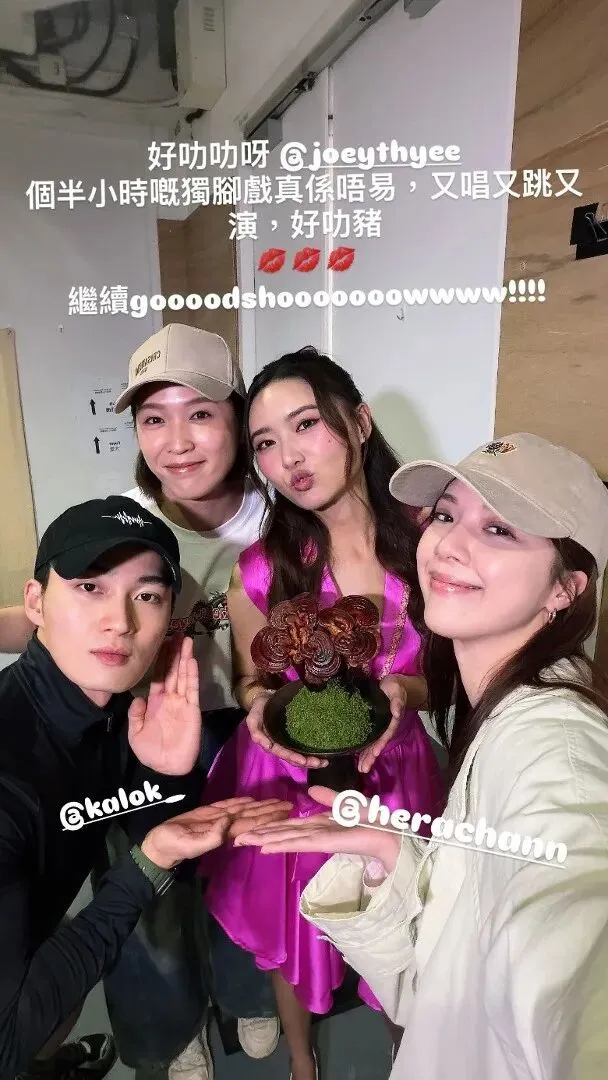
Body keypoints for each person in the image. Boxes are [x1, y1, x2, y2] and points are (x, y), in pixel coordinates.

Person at [235, 432, 608, 1080]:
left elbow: (570, 918)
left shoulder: (557, 750)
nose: (449, 544)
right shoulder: (492, 709)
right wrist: (392, 852)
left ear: (565, 589)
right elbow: (450, 964)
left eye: (499, 529)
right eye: (444, 514)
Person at [0, 325, 280, 1079]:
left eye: (201, 414)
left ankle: (250, 991)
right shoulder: (123, 525)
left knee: (245, 862)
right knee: (142, 882)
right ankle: (166, 1026)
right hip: (130, 729)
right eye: (154, 418)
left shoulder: (279, 521)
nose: (177, 442)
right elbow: (61, 619)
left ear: (237, 418)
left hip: (244, 728)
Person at [199, 347, 446, 1080]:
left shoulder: (433, 544)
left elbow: (445, 677)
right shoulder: (261, 569)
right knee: (293, 928)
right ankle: (302, 1065)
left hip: (395, 772)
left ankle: (410, 1054)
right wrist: (256, 708)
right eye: (265, 443)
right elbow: (253, 677)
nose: (288, 458)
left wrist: (406, 694)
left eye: (306, 424)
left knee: (405, 927)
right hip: (289, 774)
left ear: (360, 422)